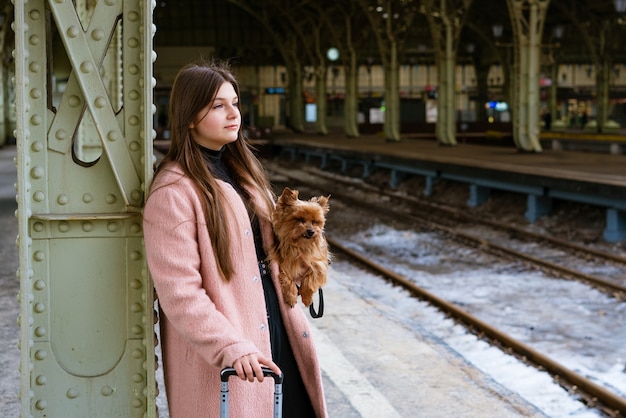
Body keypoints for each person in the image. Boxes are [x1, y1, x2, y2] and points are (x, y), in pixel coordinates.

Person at [143, 61, 327, 418]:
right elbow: (180, 293)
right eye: (217, 105)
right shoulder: (173, 192)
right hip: (230, 346)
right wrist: (230, 347)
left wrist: (301, 262)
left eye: (235, 102)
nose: (233, 114)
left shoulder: (243, 172)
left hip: (276, 322)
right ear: (189, 115)